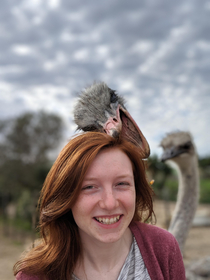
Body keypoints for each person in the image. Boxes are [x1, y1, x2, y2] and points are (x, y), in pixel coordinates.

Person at [14, 132, 186, 280]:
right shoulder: (34, 275)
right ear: (66, 197)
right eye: (89, 187)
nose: (110, 203)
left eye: (121, 183)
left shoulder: (163, 248)